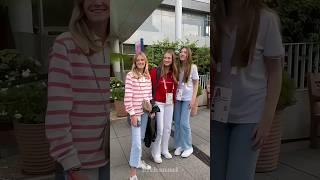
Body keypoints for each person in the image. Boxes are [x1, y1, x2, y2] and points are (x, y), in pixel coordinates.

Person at [212, 0, 284, 179]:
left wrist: (267, 120)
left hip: (249, 116)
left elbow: (275, 72)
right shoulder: (214, 17)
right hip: (217, 115)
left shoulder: (266, 19)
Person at [45, 0, 110, 179]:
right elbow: (57, 114)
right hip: (81, 166)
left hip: (111, 157)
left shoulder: (114, 44)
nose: (97, 2)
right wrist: (71, 165)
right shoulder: (65, 44)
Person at [124, 52, 154, 180]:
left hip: (145, 113)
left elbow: (149, 95)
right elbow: (127, 97)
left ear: (145, 61)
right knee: (136, 143)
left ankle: (139, 161)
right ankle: (133, 174)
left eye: (142, 60)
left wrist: (151, 110)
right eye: (138, 60)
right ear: (135, 62)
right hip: (136, 114)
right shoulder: (130, 76)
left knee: (141, 139)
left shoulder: (147, 76)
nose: (140, 62)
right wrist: (132, 114)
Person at [150, 49, 178, 163]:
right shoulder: (155, 71)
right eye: (165, 58)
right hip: (158, 103)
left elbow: (175, 88)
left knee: (167, 128)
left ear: (172, 60)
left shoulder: (174, 73)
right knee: (160, 129)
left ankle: (164, 150)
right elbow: (149, 87)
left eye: (169, 58)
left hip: (169, 103)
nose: (166, 60)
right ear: (163, 59)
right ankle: (155, 152)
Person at [174, 47, 199, 158]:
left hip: (188, 98)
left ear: (188, 55)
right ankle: (180, 145)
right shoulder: (177, 67)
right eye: (181, 52)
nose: (182, 53)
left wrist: (193, 98)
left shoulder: (192, 67)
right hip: (178, 98)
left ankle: (188, 147)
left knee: (184, 123)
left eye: (185, 52)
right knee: (178, 123)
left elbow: (196, 84)